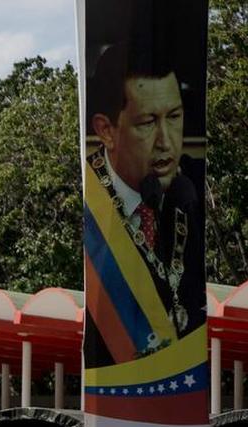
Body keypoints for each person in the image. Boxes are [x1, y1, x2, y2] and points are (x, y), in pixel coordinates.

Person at [85, 38, 205, 367]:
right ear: (106, 131)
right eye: (147, 123)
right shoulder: (88, 205)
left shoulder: (188, 192)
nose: (166, 142)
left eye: (175, 117)